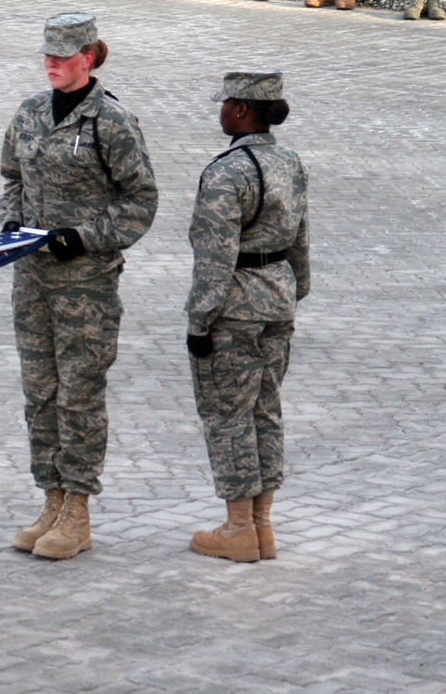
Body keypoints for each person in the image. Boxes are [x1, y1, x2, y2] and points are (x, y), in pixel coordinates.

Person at [0, 13, 158, 560]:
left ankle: (79, 511)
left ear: (88, 58)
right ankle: (51, 498)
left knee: (80, 395)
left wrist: (86, 237)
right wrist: (10, 224)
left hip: (85, 284)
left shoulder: (110, 122)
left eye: (62, 56)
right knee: (40, 392)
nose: (51, 63)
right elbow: (12, 180)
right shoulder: (28, 113)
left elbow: (141, 202)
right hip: (33, 280)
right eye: (46, 54)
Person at [185, 71, 309, 563]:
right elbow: (301, 238)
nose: (219, 111)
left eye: (225, 104)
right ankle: (263, 527)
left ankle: (238, 528)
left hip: (234, 308)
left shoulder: (225, 173)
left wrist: (199, 322)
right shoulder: (291, 162)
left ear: (241, 110)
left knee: (227, 415)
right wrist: (294, 290)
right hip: (278, 297)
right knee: (266, 410)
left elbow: (214, 258)